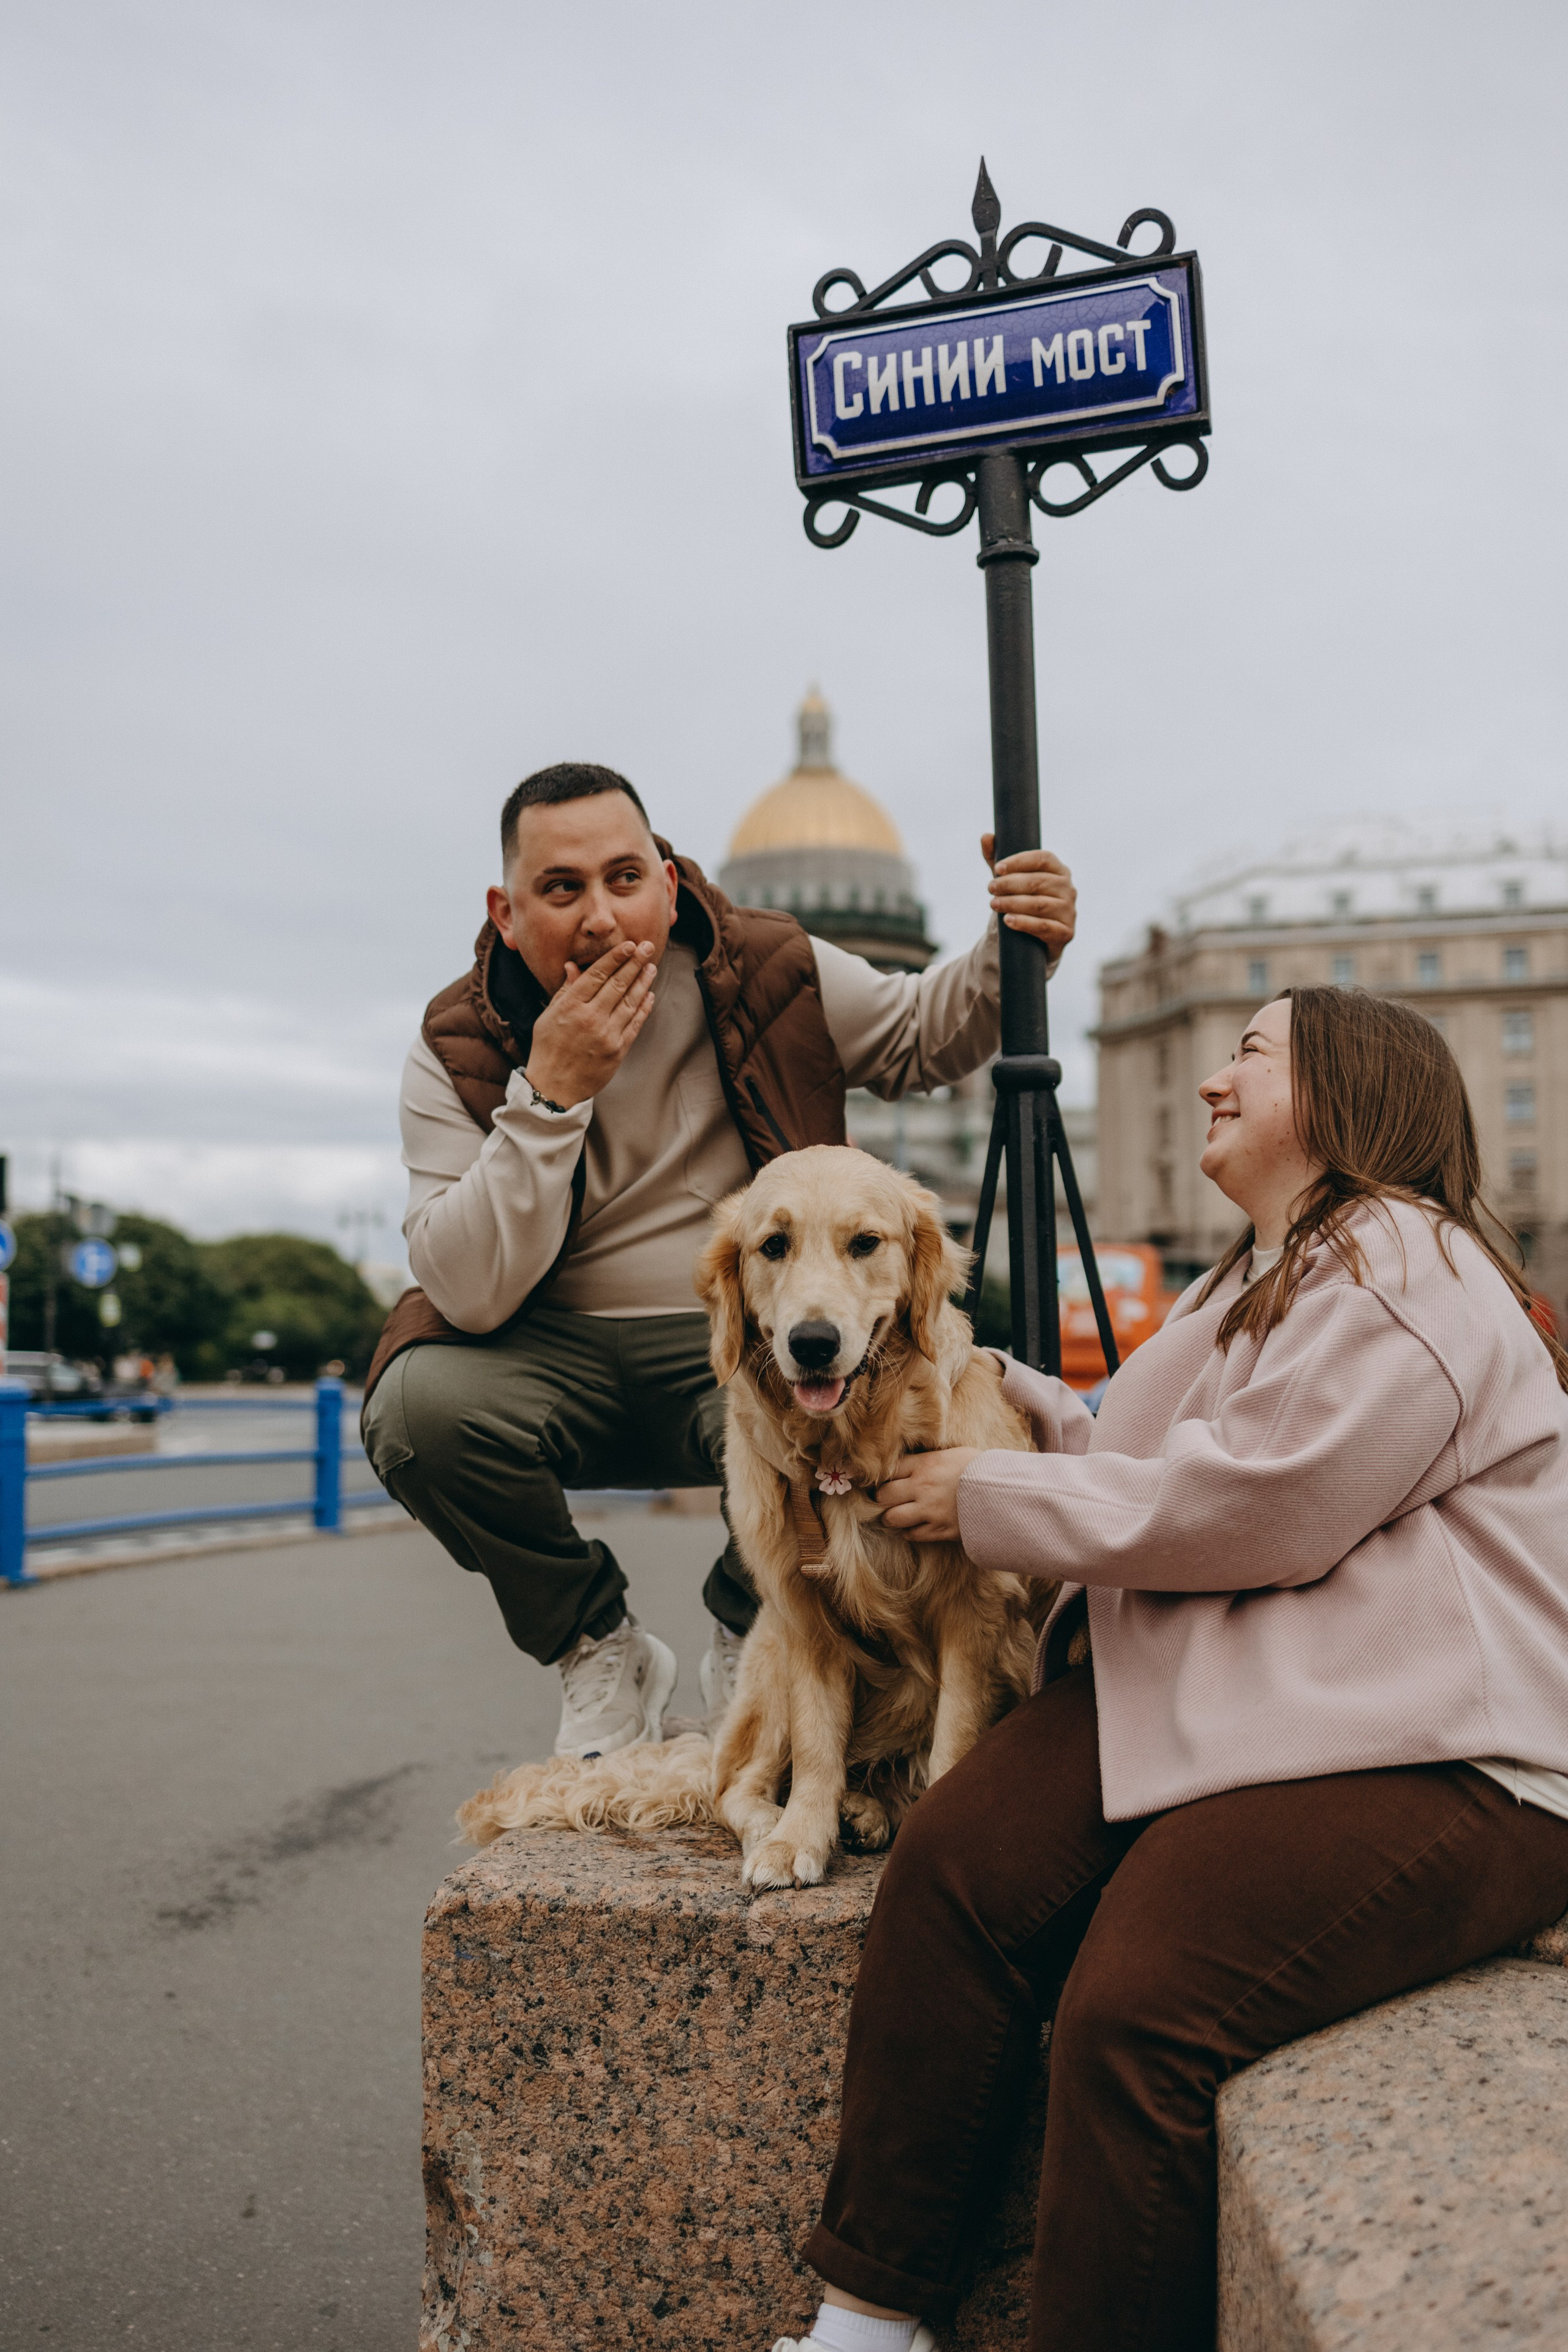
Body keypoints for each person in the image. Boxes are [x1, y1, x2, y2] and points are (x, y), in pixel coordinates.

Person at [773, 985, 1568, 2352]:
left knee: (1139, 2013)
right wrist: (1018, 1415)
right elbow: (1162, 1479)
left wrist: (992, 1497)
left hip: (1448, 1754)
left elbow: (1267, 1505)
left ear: (1345, 1092)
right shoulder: (1250, 1276)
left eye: (1248, 1057)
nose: (1211, 1080)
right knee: (953, 1867)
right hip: (1269, 1703)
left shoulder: (1406, 1265)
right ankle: (863, 2323)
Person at [361, 760, 1077, 1760]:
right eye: (561, 890)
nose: (603, 918)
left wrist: (1014, 946)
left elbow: (920, 1035)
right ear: (507, 910)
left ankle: (759, 1629)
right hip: (547, 1344)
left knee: (873, 1394)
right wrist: (551, 1096)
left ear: (664, 874)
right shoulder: (457, 1042)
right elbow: (466, 1293)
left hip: (742, 1339)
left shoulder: (770, 966)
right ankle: (597, 1646)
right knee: (413, 1412)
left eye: (624, 878)